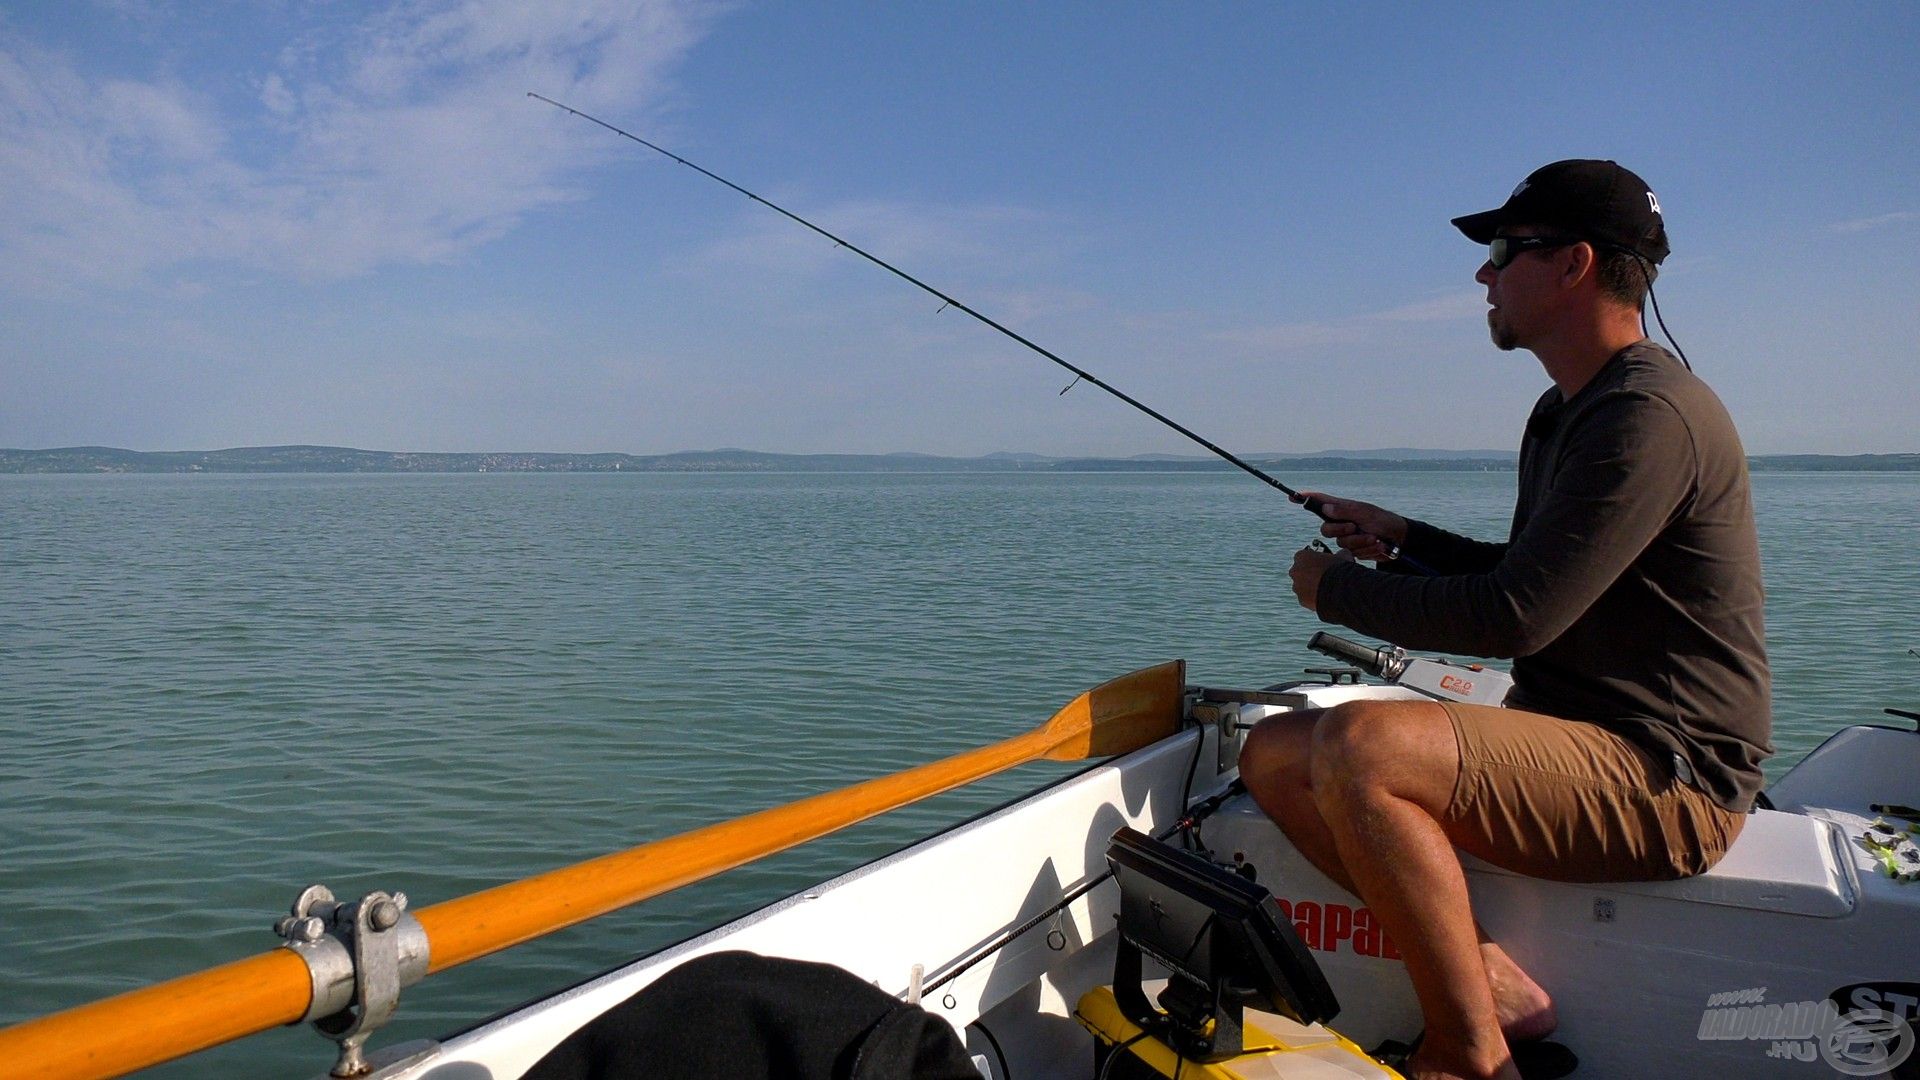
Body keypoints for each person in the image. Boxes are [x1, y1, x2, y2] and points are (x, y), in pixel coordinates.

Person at [1238, 160, 1771, 1080]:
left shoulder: (1649, 414)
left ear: (1573, 264)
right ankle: (1492, 981)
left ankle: (1471, 1053)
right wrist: (1407, 540)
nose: (1483, 276)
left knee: (1365, 746)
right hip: (1574, 737)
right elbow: (1532, 578)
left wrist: (1336, 592)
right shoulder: (1567, 411)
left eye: (1500, 251)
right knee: (1273, 753)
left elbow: (1518, 616)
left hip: (1669, 775)